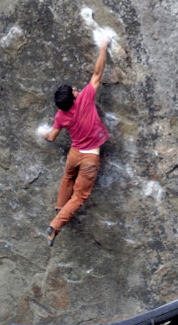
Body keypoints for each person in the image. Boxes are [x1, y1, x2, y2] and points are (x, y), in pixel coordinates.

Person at [42, 37, 111, 246]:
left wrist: (43, 134)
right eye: (74, 90)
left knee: (68, 176)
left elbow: (52, 137)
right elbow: (98, 73)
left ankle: (59, 207)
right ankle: (55, 226)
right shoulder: (85, 97)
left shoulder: (61, 115)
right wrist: (103, 47)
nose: (76, 89)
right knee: (79, 197)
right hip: (90, 157)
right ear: (74, 96)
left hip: (74, 154)